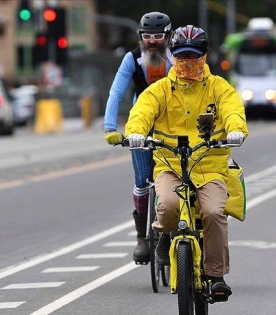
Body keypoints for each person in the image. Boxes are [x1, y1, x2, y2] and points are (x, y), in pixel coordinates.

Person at [124, 25, 249, 300]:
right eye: (182, 57)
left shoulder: (219, 88)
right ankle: (165, 236)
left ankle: (217, 275)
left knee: (214, 212)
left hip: (209, 168)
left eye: (194, 56)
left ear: (205, 56)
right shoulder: (160, 90)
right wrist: (135, 132)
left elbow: (232, 110)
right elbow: (142, 111)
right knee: (167, 204)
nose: (188, 63)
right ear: (173, 56)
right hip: (170, 165)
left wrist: (236, 129)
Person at [103, 12, 174, 264]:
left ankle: (177, 229)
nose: (152, 41)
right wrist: (110, 127)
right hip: (140, 124)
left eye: (158, 36)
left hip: (173, 124)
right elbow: (116, 92)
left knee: (182, 177)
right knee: (143, 181)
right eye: (147, 36)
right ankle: (142, 238)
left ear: (168, 36)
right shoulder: (131, 60)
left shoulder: (176, 58)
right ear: (140, 37)